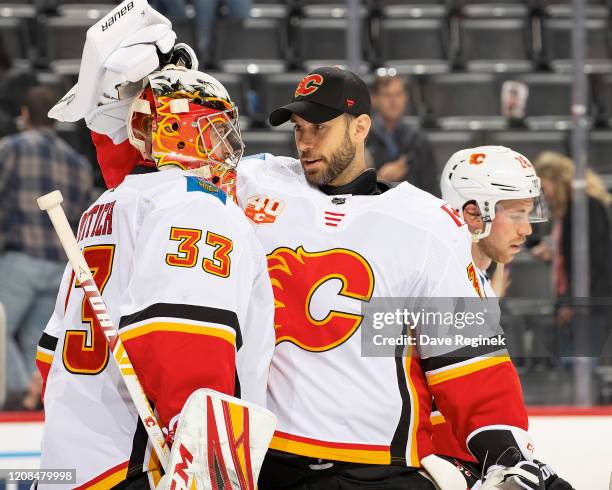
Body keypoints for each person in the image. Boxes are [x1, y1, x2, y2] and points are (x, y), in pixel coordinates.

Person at [79, 35, 572, 488]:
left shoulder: (430, 223)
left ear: (360, 127)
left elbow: (468, 362)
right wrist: (145, 96)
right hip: (264, 464)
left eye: (320, 127)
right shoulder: (250, 183)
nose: (305, 141)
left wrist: (507, 452)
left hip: (381, 468)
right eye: (298, 128)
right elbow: (153, 185)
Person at [36, 65, 275, 489]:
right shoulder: (195, 205)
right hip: (137, 468)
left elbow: (49, 355)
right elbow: (183, 340)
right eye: (214, 129)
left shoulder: (104, 207)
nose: (225, 148)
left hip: (72, 465)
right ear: (177, 129)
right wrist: (209, 473)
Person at [435, 145, 547, 463]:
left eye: (528, 214)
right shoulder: (441, 281)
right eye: (515, 215)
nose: (526, 230)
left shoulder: (475, 278)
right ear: (473, 212)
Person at [0, 85, 93, 408]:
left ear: (24, 115)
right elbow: (83, 216)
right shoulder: (78, 162)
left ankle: (15, 392)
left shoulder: (9, 148)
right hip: (59, 264)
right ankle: (34, 398)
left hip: (20, 258)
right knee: (34, 342)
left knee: (1, 333)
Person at [532, 152, 612, 364]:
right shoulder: (569, 209)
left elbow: (592, 260)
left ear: (557, 180)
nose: (544, 194)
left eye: (544, 187)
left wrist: (571, 302)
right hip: (579, 301)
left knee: (579, 363)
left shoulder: (584, 206)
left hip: (588, 303)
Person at [366, 74, 439, 196]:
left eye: (398, 94)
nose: (393, 101)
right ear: (374, 99)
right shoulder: (361, 138)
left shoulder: (419, 140)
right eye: (386, 95)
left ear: (406, 97)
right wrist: (379, 180)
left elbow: (431, 188)